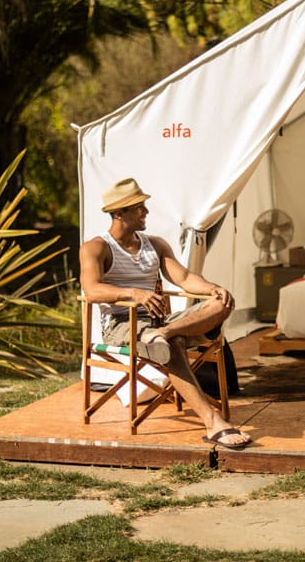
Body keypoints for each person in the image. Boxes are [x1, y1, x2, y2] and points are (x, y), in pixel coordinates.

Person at [79, 177, 251, 450]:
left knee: (221, 304)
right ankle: (212, 421)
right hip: (123, 322)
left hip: (159, 323)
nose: (145, 211)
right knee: (173, 346)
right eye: (139, 207)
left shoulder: (155, 245)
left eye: (144, 206)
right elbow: (92, 290)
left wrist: (212, 288)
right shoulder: (96, 247)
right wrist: (134, 293)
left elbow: (183, 278)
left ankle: (165, 334)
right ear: (118, 213)